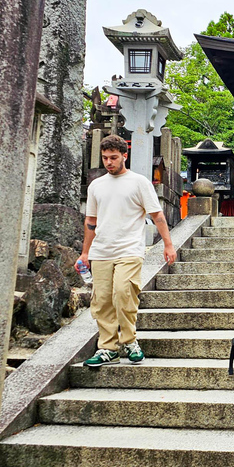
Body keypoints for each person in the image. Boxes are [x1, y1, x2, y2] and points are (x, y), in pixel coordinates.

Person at [76, 135, 176, 367]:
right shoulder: (96, 185)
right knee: (102, 300)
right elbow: (91, 221)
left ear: (124, 156)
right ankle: (107, 347)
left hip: (129, 249)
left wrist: (168, 244)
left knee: (123, 293)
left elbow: (157, 215)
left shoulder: (139, 182)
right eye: (105, 158)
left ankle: (130, 341)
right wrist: (85, 253)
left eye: (113, 157)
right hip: (101, 250)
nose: (109, 162)